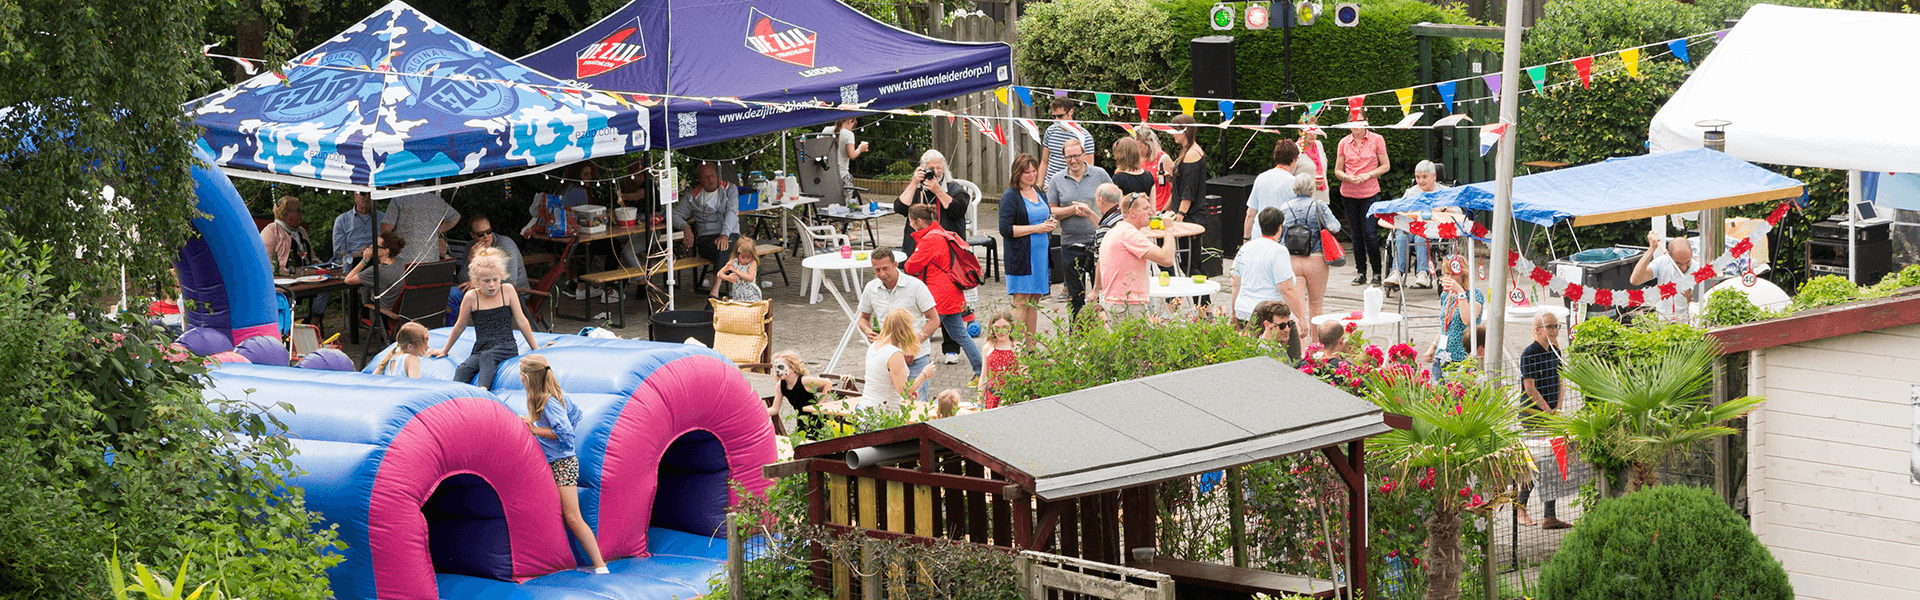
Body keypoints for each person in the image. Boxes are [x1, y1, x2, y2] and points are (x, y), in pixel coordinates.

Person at [516, 354, 611, 574]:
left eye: (521, 374)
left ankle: (600, 564)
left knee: (573, 517)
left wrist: (535, 430)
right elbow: (575, 415)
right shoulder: (553, 397)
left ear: (528, 378)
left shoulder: (548, 401)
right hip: (556, 461)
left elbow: (566, 431)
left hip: (563, 464)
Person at [430, 255, 547, 389]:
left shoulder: (507, 290)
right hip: (482, 347)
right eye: (486, 281)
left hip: (506, 346)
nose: (491, 285)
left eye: (495, 280)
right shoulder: (471, 297)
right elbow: (459, 326)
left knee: (488, 356)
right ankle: (453, 397)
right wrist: (445, 350)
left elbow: (521, 320)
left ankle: (483, 391)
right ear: (477, 281)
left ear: (501, 277)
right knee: (463, 369)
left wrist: (535, 348)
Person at [903, 204, 984, 384]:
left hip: (937, 296)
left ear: (919, 221)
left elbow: (910, 266)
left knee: (923, 332)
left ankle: (909, 374)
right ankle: (982, 373)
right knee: (960, 336)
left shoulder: (929, 240)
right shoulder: (942, 233)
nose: (910, 224)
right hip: (952, 292)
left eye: (911, 221)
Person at [856, 248, 941, 401]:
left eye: (885, 268)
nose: (882, 274)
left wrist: (913, 344)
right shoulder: (871, 288)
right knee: (891, 401)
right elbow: (863, 318)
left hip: (916, 356)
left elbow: (934, 320)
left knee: (917, 403)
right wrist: (867, 330)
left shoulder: (916, 286)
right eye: (877, 270)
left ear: (895, 264)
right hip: (887, 355)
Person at [1046, 138, 1111, 319]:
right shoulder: (1057, 179)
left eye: (1076, 156)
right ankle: (1076, 338)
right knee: (1075, 296)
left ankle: (1103, 335)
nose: (1073, 160)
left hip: (1098, 242)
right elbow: (1051, 211)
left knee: (1101, 293)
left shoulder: (1100, 174)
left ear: (1084, 155)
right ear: (1064, 159)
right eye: (1068, 157)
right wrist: (1071, 210)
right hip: (1070, 243)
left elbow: (1114, 202)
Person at [1517, 312, 1569, 529]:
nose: (1555, 330)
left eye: (1557, 326)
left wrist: (1557, 408)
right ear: (1537, 330)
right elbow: (1530, 388)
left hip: (1550, 414)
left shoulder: (1556, 350)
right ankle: (1520, 508)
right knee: (1535, 463)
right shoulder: (1529, 354)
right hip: (1533, 415)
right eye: (1549, 326)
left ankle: (1550, 515)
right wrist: (1547, 410)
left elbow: (1560, 381)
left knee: (1554, 462)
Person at [998, 154, 1058, 345]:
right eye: (1027, 173)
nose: (1032, 176)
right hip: (1021, 256)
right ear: (1018, 173)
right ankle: (1012, 346)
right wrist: (1037, 228)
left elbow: (1045, 214)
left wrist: (1049, 224)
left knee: (1034, 300)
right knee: (1021, 300)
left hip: (1040, 254)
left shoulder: (1038, 191)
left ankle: (1030, 348)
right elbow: (1005, 229)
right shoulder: (1010, 196)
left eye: (1034, 171)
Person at [1096, 192, 1178, 317]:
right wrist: (1169, 229)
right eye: (1146, 209)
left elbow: (1100, 263)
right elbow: (1167, 259)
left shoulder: (1116, 230)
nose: (1151, 212)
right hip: (1128, 306)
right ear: (1132, 212)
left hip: (1116, 303)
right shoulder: (1130, 234)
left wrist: (1096, 289)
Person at [1230, 207, 1310, 326]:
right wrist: (1301, 318)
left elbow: (1235, 283)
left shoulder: (1245, 248)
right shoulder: (1279, 251)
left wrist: (1233, 312)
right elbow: (1286, 290)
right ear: (1280, 227)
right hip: (1271, 316)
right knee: (1291, 344)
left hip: (1244, 311)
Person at [1335, 121, 1391, 286]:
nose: (1355, 125)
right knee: (1356, 235)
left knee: (1370, 234)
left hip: (1369, 192)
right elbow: (1337, 170)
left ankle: (1377, 273)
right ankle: (1361, 272)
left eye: (1359, 121)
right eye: (1352, 121)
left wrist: (1369, 174)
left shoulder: (1377, 139)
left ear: (1365, 122)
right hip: (1349, 193)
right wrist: (1347, 177)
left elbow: (1386, 165)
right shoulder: (1343, 142)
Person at [673, 162, 742, 293]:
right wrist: (686, 227)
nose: (710, 179)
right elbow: (675, 214)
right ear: (700, 180)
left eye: (712, 175)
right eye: (706, 177)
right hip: (707, 238)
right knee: (723, 250)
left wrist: (724, 235)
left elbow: (731, 213)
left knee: (724, 247)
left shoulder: (729, 189)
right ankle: (735, 289)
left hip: (730, 235)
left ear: (717, 175)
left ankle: (714, 292)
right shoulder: (693, 197)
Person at [1281, 175, 1342, 320]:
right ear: (1311, 189)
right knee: (1316, 305)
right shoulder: (1319, 205)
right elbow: (1335, 227)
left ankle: (1299, 343)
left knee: (1297, 308)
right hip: (1316, 259)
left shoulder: (1284, 207)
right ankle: (1316, 342)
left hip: (1292, 261)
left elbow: (1279, 237)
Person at [1386, 160, 1454, 290]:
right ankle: (1396, 273)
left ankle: (1423, 273)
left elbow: (1458, 211)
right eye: (1417, 177)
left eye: (1424, 177)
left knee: (1421, 236)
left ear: (1434, 176)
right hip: (1410, 227)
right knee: (1400, 236)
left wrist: (1443, 209)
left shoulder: (1445, 192)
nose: (1420, 181)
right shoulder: (1411, 192)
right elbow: (1400, 211)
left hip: (1432, 229)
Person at [894, 149, 971, 255]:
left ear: (944, 169)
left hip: (946, 248)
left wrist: (938, 191)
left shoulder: (954, 189)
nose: (936, 172)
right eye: (931, 169)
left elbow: (958, 211)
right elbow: (900, 208)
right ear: (923, 170)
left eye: (939, 168)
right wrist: (914, 183)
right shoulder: (917, 188)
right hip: (917, 245)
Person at [861, 308, 936, 411]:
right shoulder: (894, 354)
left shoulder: (875, 346)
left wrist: (910, 389)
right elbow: (905, 391)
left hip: (867, 408)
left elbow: (891, 383)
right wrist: (924, 374)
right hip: (882, 414)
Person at [1423, 256, 1484, 381]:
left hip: (1462, 357)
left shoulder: (1474, 294)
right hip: (1442, 355)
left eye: (1453, 274)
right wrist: (1433, 345)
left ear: (1463, 275)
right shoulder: (1446, 295)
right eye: (1447, 274)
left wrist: (1460, 292)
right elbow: (1446, 324)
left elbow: (1468, 320)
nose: (1449, 278)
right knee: (1439, 397)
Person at [1168, 114, 1211, 276]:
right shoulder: (1187, 151)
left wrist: (1180, 215)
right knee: (1192, 263)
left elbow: (1189, 191)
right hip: (1189, 215)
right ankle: (1203, 302)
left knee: (1190, 264)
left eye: (1175, 130)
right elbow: (1181, 188)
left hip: (1191, 217)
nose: (1172, 134)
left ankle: (1203, 301)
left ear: (1185, 131)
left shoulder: (1192, 154)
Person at [1629, 233, 1699, 322]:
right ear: (1669, 256)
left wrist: (1689, 298)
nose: (1684, 268)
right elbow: (1635, 280)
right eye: (1678, 264)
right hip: (1663, 322)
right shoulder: (1662, 262)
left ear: (1692, 252)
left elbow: (1700, 308)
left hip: (1688, 324)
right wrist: (1651, 250)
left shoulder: (1699, 270)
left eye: (1687, 262)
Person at [382, 188, 461, 266]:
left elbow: (386, 228)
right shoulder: (437, 200)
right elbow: (455, 217)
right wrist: (438, 230)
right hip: (431, 260)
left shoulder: (399, 199)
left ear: (404, 184)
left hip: (405, 260)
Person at [1244, 140, 1301, 241]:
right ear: (1293, 159)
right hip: (1281, 237)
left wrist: (1246, 238)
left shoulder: (1260, 178)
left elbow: (1250, 213)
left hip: (1259, 234)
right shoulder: (1294, 182)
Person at [768, 350, 833, 439]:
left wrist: (821, 404)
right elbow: (775, 408)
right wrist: (760, 413)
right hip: (801, 418)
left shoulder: (804, 381)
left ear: (792, 368)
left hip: (817, 418)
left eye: (781, 367)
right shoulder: (780, 386)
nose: (778, 371)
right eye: (776, 369)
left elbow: (828, 383)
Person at [344, 232, 406, 311]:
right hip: (401, 312)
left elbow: (348, 280)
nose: (370, 247)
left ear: (385, 251)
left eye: (375, 246)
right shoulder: (402, 262)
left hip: (384, 315)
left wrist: (364, 260)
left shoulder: (376, 271)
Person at [1041, 97, 1097, 185]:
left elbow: (1089, 169)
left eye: (1060, 116)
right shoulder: (1050, 131)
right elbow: (1044, 162)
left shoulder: (1084, 136)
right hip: (1049, 186)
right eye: (1053, 116)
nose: (1056, 120)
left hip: (1071, 187)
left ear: (1071, 112)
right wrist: (1039, 187)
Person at [466, 215, 528, 290]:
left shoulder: (505, 245)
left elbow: (510, 282)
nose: (486, 236)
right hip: (481, 291)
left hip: (514, 294)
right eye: (480, 234)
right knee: (453, 295)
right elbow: (462, 279)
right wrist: (470, 259)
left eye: (488, 231)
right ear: (472, 235)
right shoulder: (471, 247)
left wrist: (479, 284)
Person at [614, 161, 655, 269]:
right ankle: (617, 279)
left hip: (651, 228)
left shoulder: (648, 184)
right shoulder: (629, 186)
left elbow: (639, 195)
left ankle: (641, 280)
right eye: (637, 175)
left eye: (642, 174)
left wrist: (623, 196)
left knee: (628, 252)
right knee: (610, 244)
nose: (640, 177)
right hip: (633, 229)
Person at [260, 195, 314, 275]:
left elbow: (313, 257)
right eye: (298, 211)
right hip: (286, 278)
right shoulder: (272, 230)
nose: (301, 214)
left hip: (308, 275)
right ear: (285, 213)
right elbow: (264, 262)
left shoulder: (301, 230)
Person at [977, 310, 1018, 409]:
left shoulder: (1017, 347)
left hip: (1012, 398)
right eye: (997, 328)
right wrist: (979, 402)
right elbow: (983, 376)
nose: (1001, 331)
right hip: (993, 397)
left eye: (1005, 327)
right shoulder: (988, 347)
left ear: (1011, 327)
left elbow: (1023, 375)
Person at [1133, 126, 1176, 212]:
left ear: (1148, 143)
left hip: (1162, 208)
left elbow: (1176, 189)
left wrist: (1163, 210)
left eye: (1140, 147)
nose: (1138, 150)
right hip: (1144, 210)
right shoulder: (1136, 159)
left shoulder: (1163, 159)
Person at [827, 116, 869, 199]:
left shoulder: (827, 130)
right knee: (847, 202)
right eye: (852, 126)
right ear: (850, 121)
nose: (851, 129)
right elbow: (852, 155)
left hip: (827, 173)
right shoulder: (848, 134)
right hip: (842, 175)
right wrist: (860, 149)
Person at [333, 192, 377, 268]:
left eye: (370, 194)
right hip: (353, 266)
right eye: (363, 193)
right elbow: (339, 254)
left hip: (378, 264)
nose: (367, 197)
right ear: (355, 197)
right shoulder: (342, 220)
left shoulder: (383, 218)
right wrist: (358, 254)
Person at [713, 236, 762, 302]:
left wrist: (735, 270)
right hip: (737, 294)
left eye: (748, 257)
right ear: (737, 253)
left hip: (751, 295)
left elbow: (750, 277)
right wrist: (727, 277)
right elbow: (719, 273)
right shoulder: (733, 261)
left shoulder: (752, 262)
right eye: (743, 257)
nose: (745, 260)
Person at [1295, 120, 1331, 205]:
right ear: (1300, 132)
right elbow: (1291, 177)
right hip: (1304, 201)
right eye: (1308, 131)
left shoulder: (1319, 145)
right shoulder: (1295, 149)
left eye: (1315, 130)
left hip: (1322, 198)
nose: (1312, 134)